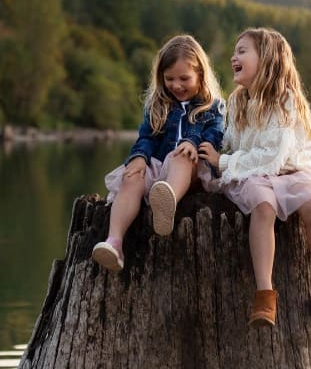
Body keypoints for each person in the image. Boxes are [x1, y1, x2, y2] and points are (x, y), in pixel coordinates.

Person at [197, 27, 311, 335]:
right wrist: (213, 153)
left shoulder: (285, 101)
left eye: (242, 51)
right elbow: (233, 142)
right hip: (258, 175)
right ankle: (264, 293)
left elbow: (273, 155)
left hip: (291, 171)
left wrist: (224, 161)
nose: (233, 57)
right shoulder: (239, 101)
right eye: (234, 51)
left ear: (267, 60)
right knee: (262, 204)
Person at [92, 34, 225, 272]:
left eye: (184, 78)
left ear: (201, 75)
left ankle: (167, 201)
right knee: (132, 176)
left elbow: (215, 136)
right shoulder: (158, 104)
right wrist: (140, 158)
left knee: (181, 156)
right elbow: (147, 137)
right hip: (159, 167)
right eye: (169, 79)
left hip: (192, 171)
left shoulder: (212, 106)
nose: (176, 85)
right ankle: (115, 242)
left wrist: (193, 143)